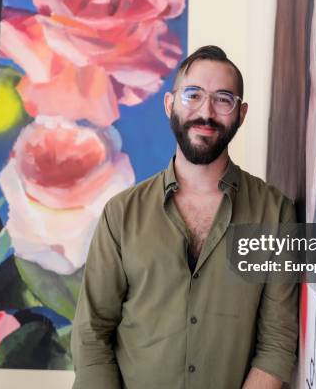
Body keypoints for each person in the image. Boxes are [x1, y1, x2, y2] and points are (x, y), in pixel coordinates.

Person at [71, 45, 298, 389]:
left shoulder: (275, 213)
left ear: (241, 113)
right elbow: (92, 335)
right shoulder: (121, 214)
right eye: (193, 95)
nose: (205, 112)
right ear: (170, 104)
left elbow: (277, 344)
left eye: (223, 99)